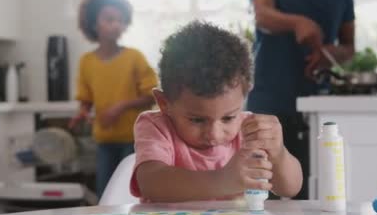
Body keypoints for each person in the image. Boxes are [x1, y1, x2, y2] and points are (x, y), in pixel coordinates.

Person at [130, 21, 303, 202]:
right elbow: (150, 183)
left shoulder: (250, 130)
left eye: (228, 118)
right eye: (197, 120)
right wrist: (222, 180)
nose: (214, 134)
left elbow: (290, 188)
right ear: (164, 103)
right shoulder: (156, 126)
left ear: (243, 97)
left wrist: (279, 153)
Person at [248, 0, 356, 199]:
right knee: (263, 195)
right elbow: (262, 15)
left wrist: (329, 54)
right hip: (269, 106)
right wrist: (299, 22)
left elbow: (349, 47)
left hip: (316, 109)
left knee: (314, 192)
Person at [71, 0, 158, 199]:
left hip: (133, 139)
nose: (116, 24)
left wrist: (121, 107)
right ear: (94, 24)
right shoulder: (87, 62)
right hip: (104, 140)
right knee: (105, 194)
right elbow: (86, 98)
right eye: (109, 19)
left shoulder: (134, 57)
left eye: (120, 20)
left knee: (129, 194)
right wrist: (82, 113)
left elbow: (153, 94)